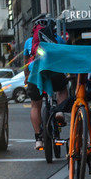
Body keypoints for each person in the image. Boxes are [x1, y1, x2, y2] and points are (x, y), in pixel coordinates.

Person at [23, 15, 68, 150]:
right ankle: (60, 112)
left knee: (35, 106)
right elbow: (65, 56)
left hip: (36, 75)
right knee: (62, 89)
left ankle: (39, 139)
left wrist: (27, 76)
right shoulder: (58, 39)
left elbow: (26, 62)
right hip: (54, 72)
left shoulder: (29, 42)